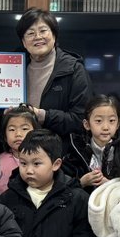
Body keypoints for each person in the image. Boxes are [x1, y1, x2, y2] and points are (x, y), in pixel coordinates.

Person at [15, 8, 92, 144]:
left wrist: (43, 116)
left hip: (59, 150)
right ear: (24, 42)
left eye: (43, 31)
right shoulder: (14, 68)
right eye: (31, 33)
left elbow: (81, 120)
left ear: (54, 35)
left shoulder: (74, 69)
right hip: (19, 148)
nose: (38, 37)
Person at [63, 94, 120, 191]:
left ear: (118, 124)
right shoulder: (76, 152)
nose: (105, 127)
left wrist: (110, 185)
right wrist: (81, 182)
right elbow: (62, 187)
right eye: (99, 121)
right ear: (87, 124)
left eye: (111, 121)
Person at [0, 105, 39, 191]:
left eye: (24, 129)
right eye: (12, 129)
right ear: (4, 136)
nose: (18, 134)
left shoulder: (43, 161)